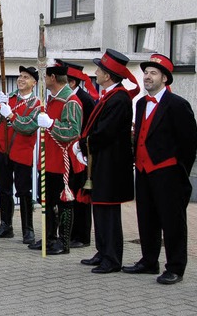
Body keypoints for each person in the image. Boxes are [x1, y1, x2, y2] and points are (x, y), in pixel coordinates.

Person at [121, 53, 197, 285]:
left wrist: (177, 168)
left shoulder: (178, 105)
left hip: (167, 172)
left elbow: (188, 142)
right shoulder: (142, 103)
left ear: (165, 78)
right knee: (146, 218)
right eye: (145, 72)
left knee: (172, 221)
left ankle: (175, 267)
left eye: (153, 73)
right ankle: (149, 260)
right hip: (143, 171)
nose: (147, 76)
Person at [78, 48, 139, 273]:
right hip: (102, 162)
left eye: (99, 70)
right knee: (100, 209)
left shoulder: (120, 99)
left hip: (112, 164)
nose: (95, 73)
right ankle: (103, 251)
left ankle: (112, 258)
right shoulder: (111, 96)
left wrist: (83, 143)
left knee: (109, 211)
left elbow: (106, 132)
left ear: (109, 75)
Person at [28, 64, 82, 255]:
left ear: (52, 78)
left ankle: (63, 242)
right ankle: (49, 237)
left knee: (64, 203)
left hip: (63, 160)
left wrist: (52, 123)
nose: (43, 80)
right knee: (47, 201)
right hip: (48, 158)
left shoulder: (70, 101)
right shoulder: (49, 100)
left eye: (45, 77)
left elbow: (73, 131)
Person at [0, 66, 40, 244]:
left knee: (24, 192)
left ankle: (28, 230)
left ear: (34, 83)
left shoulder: (37, 104)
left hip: (22, 153)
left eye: (26, 77)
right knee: (3, 189)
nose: (21, 79)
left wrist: (11, 114)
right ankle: (5, 225)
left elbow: (28, 127)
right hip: (3, 151)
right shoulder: (9, 98)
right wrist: (0, 105)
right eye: (20, 76)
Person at [56, 59, 96, 249]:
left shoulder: (84, 100)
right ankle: (69, 233)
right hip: (68, 153)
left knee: (80, 196)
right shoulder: (64, 98)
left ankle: (82, 235)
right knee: (69, 193)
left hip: (81, 154)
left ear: (71, 83)